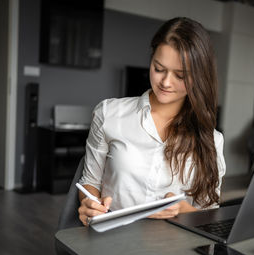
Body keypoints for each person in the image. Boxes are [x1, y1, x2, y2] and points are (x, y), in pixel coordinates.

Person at [77, 17, 226, 226]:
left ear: (199, 77)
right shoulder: (109, 114)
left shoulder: (211, 140)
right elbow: (90, 182)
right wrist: (89, 204)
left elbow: (210, 218)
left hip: (174, 249)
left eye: (180, 75)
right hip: (112, 240)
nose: (165, 82)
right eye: (159, 68)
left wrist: (182, 210)